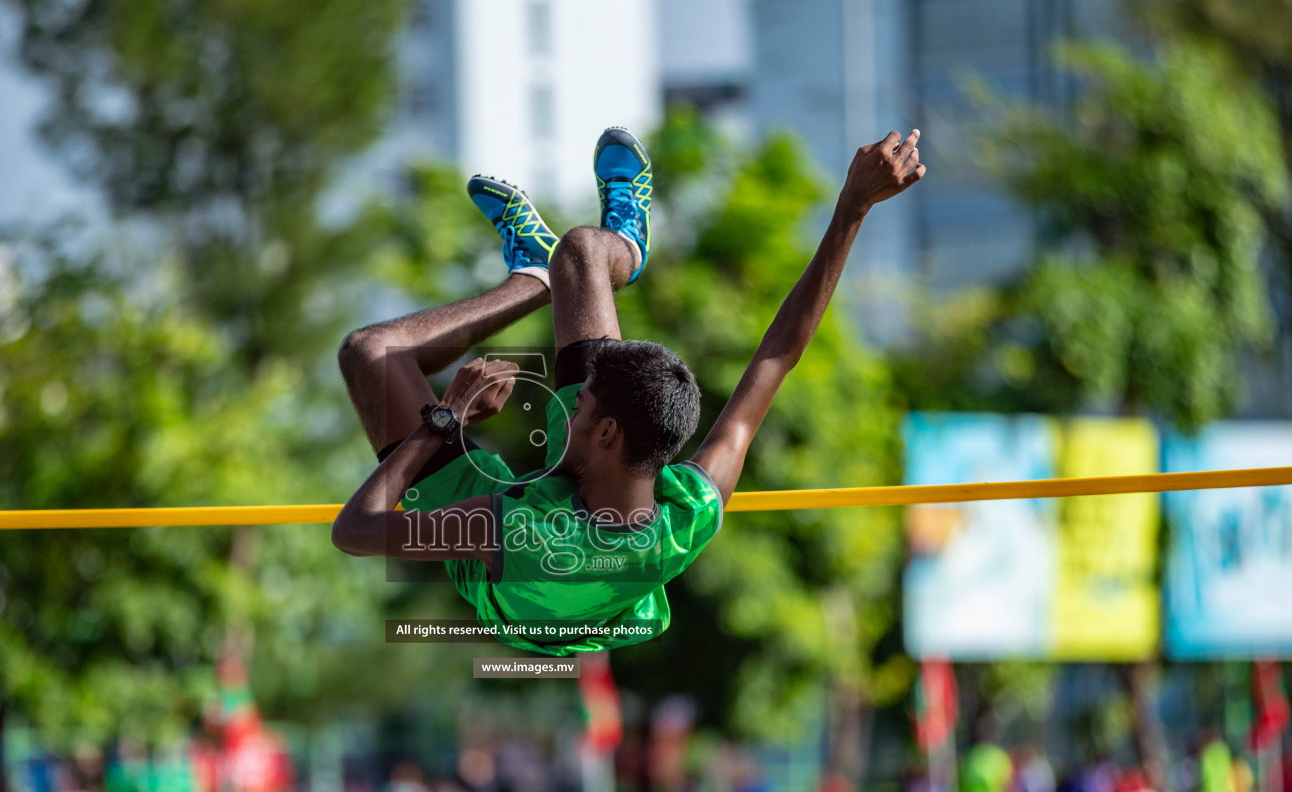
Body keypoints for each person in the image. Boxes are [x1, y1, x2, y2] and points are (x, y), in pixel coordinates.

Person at [331, 126, 926, 653]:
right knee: (583, 251)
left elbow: (355, 531)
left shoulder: (506, 531)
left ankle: (531, 282)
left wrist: (447, 418)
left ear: (606, 429)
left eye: (581, 399)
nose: (568, 395)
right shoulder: (686, 510)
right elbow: (776, 357)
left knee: (370, 353)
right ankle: (607, 252)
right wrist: (851, 209)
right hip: (586, 510)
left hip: (516, 585)